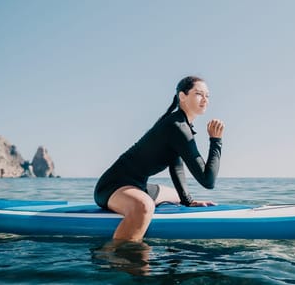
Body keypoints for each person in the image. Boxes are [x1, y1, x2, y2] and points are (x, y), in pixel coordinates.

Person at [94, 75, 224, 242]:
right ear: (182, 97)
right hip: (113, 186)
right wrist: (216, 140)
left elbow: (176, 164)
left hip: (138, 185)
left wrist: (188, 201)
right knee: (145, 206)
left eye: (208, 95)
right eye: (199, 94)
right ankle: (116, 256)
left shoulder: (180, 124)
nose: (205, 99)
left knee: (177, 197)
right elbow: (208, 181)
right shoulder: (177, 126)